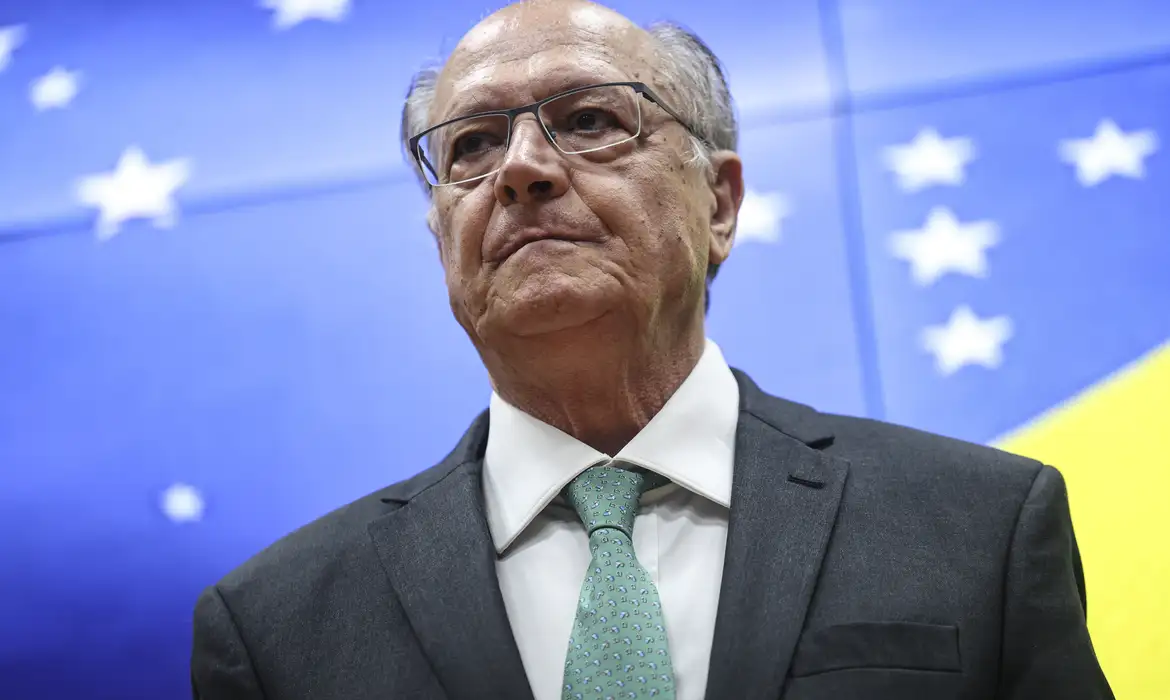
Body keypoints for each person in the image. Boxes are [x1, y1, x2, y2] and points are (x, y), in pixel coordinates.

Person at [189, 1, 1114, 698]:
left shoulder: (977, 527)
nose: (521, 169)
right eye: (471, 144)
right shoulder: (277, 626)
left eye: (589, 120)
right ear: (441, 236)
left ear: (720, 204)